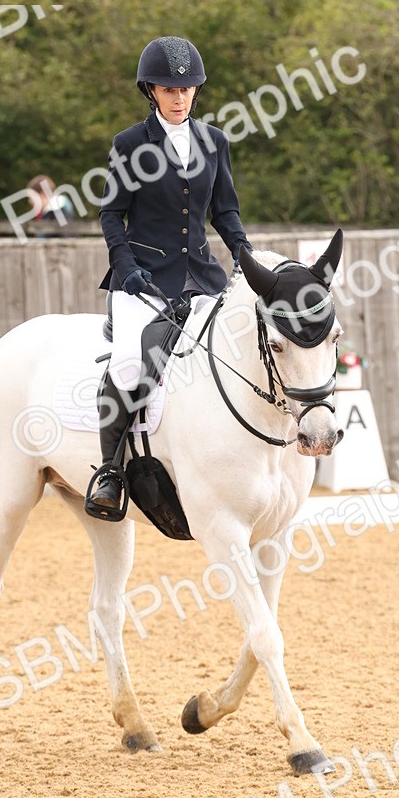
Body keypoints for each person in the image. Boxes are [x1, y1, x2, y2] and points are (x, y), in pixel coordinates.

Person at [85, 35, 253, 519]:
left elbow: (226, 212)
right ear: (151, 92)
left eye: (187, 91)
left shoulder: (214, 142)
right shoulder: (130, 144)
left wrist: (246, 257)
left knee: (243, 351)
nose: (179, 99)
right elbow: (112, 215)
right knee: (128, 367)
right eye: (168, 90)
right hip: (142, 279)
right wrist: (125, 266)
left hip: (202, 276)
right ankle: (110, 472)